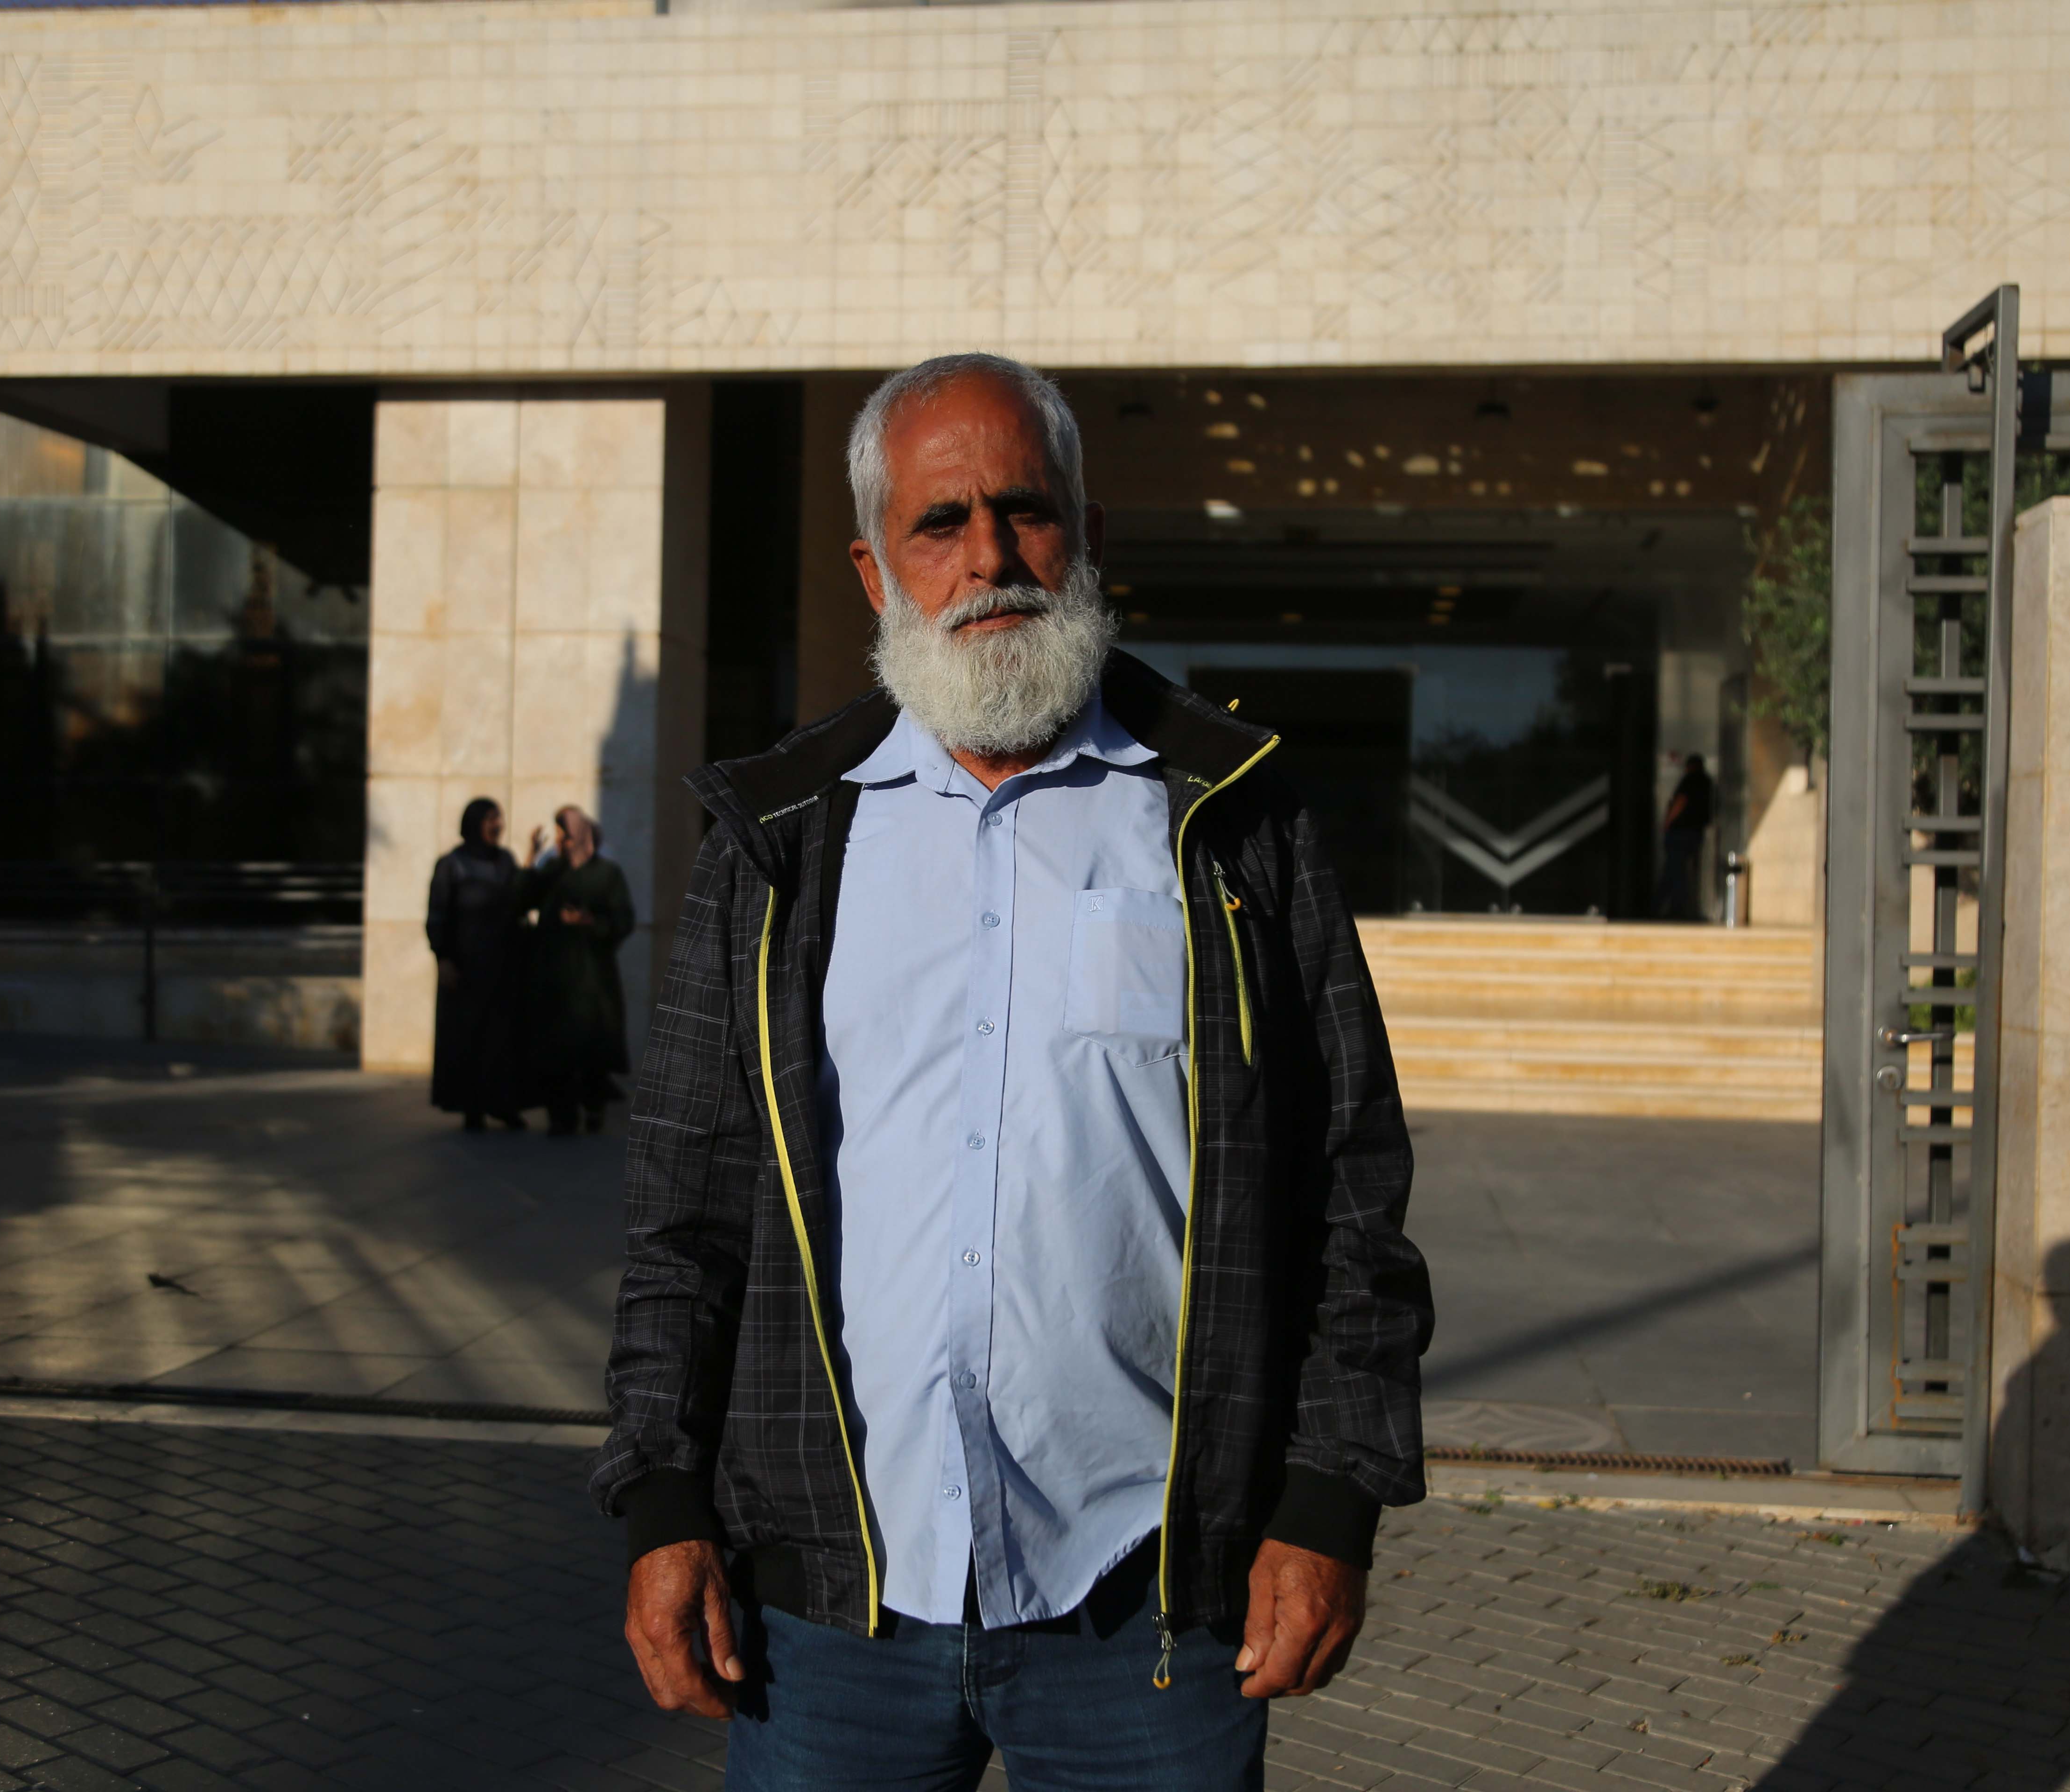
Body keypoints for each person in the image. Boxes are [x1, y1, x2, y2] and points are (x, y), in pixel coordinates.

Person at [591, 353, 1431, 1792]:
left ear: (1086, 535)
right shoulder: (778, 845)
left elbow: (1351, 1189)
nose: (989, 557)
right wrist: (663, 1504)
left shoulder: (1232, 820)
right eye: (941, 522)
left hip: (1151, 1604)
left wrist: (1330, 1500)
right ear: (875, 569)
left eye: (1025, 510)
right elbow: (686, 1214)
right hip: (831, 1606)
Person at [519, 805, 636, 1135]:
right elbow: (520, 899)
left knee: (592, 1049)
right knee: (554, 1051)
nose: (562, 842)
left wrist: (590, 922)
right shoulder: (552, 871)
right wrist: (531, 857)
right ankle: (561, 1116)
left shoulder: (607, 873)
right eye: (559, 836)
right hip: (553, 976)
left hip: (592, 976)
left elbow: (623, 919)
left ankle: (594, 1109)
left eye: (566, 835)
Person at [425, 797, 526, 1132]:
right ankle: (473, 1107)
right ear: (474, 823)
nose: (498, 825)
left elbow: (519, 901)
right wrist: (443, 958)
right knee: (469, 1037)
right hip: (467, 969)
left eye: (499, 818)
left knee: (503, 1037)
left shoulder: (505, 861)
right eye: (491, 819)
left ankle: (504, 1104)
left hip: (503, 965)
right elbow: (437, 914)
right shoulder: (452, 865)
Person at [1651, 751, 1714, 920]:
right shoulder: (1707, 783)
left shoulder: (1690, 781)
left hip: (1681, 831)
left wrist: (1668, 821)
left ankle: (1675, 908)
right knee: (1673, 869)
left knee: (1676, 870)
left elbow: (1681, 800)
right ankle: (1657, 905)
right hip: (1696, 832)